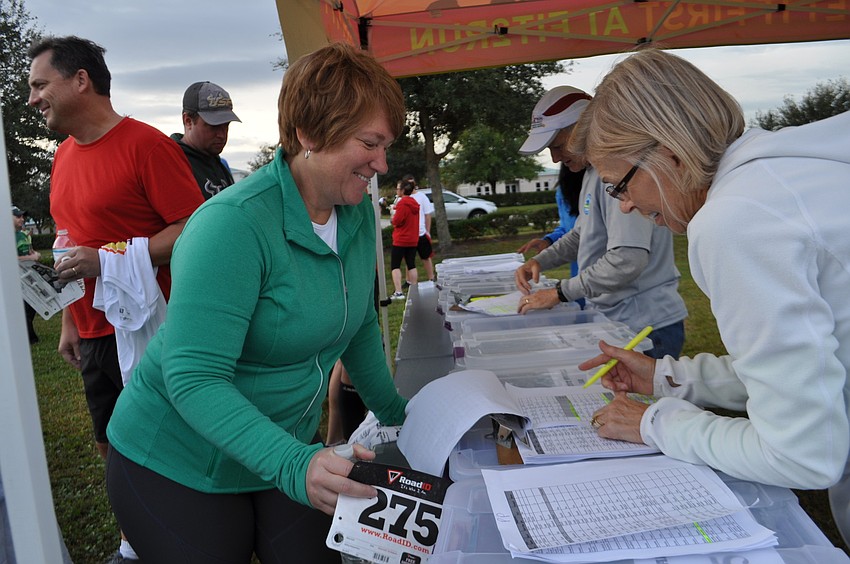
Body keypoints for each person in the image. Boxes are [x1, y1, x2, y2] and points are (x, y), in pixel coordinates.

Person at [105, 42, 409, 563]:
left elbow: (357, 323)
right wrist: (294, 464)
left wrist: (404, 419)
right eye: (369, 143)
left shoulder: (353, 212)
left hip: (281, 445)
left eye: (387, 145)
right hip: (179, 457)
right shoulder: (233, 225)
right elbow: (194, 377)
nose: (382, 163)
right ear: (309, 134)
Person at [566, 48, 850, 544]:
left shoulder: (736, 220)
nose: (627, 204)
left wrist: (657, 424)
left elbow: (802, 454)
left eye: (618, 187)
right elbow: (813, 365)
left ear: (668, 153)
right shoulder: (787, 173)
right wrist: (668, 377)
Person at [27, 35, 205, 563]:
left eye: (40, 85)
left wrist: (106, 258)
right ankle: (135, 538)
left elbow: (194, 230)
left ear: (80, 80)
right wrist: (67, 323)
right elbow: (69, 236)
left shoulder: (146, 145)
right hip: (93, 330)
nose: (33, 99)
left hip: (153, 329)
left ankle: (189, 531)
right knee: (111, 441)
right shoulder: (62, 156)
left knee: (166, 442)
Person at [514, 85, 687, 359]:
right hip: (622, 320)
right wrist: (541, 260)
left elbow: (627, 259)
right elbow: (582, 233)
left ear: (584, 127)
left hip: (643, 325)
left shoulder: (620, 170)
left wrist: (560, 292)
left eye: (557, 146)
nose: (555, 158)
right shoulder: (594, 172)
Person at [170, 81, 241, 199]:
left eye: (226, 125)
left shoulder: (221, 164)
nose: (222, 134)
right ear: (188, 121)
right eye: (214, 126)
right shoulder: (172, 164)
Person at [517, 163, 582, 278]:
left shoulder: (604, 186)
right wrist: (549, 240)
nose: (554, 158)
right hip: (579, 277)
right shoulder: (564, 190)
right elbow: (570, 230)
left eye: (558, 147)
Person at [13, 205, 40, 345]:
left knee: (32, 306)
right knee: (24, 307)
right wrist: (31, 258)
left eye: (22, 216)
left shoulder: (23, 235)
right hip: (15, 278)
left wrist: (35, 255)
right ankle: (30, 338)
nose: (22, 219)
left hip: (28, 275)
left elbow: (31, 252)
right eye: (18, 216)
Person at [389, 179, 420, 300]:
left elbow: (397, 221)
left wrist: (393, 214)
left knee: (395, 265)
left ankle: (398, 292)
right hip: (412, 239)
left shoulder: (402, 203)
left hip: (401, 239)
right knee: (411, 264)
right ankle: (414, 289)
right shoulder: (414, 203)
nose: (397, 190)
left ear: (402, 190)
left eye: (398, 188)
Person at [405, 174, 436, 282]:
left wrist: (427, 231)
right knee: (408, 259)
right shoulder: (403, 198)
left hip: (421, 233)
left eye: (412, 183)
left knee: (426, 257)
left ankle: (431, 277)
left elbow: (427, 215)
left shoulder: (421, 197)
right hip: (408, 235)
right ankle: (408, 280)